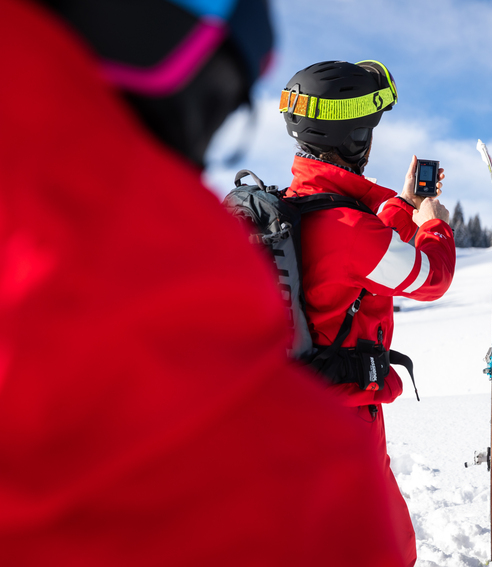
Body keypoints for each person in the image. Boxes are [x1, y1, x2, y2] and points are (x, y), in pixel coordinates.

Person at [0, 1, 419, 565]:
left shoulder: (275, 214)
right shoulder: (345, 228)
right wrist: (421, 215)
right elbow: (427, 275)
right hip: (344, 410)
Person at [277, 60, 457, 565]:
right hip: (345, 423)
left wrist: (401, 204)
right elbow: (429, 275)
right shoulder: (345, 225)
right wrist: (433, 224)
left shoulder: (299, 207)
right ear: (356, 136)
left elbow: (368, 245)